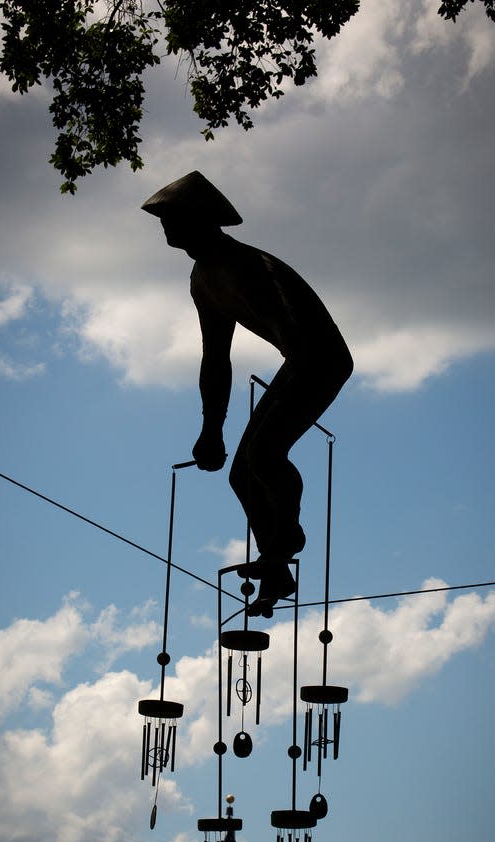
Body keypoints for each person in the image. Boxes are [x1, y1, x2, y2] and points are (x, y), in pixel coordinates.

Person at [142, 171, 353, 615]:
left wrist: (280, 401)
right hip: (296, 362)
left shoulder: (248, 266)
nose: (164, 225)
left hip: (319, 359)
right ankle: (277, 569)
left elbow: (302, 335)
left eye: (171, 216)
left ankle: (286, 537)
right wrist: (211, 429)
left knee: (265, 456)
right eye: (162, 218)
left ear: (200, 219)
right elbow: (216, 359)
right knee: (243, 474)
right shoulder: (203, 279)